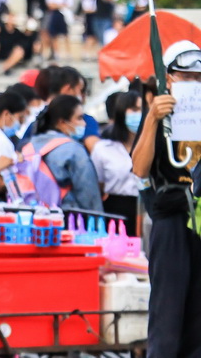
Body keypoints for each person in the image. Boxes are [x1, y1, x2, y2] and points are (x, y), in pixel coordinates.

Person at [132, 40, 201, 357]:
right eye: (186, 76)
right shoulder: (158, 116)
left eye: (199, 77)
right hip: (171, 218)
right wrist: (152, 119)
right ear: (168, 78)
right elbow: (139, 167)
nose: (194, 83)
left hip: (198, 217)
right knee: (168, 310)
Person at [31, 95, 103, 211]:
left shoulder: (30, 145)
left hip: (32, 214)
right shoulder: (74, 150)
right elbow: (88, 194)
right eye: (79, 118)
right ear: (62, 122)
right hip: (67, 217)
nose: (84, 124)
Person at [91, 91, 140, 236]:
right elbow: (98, 185)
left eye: (142, 109)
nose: (140, 114)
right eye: (134, 109)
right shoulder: (103, 148)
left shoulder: (155, 145)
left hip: (147, 208)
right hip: (115, 210)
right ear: (121, 112)